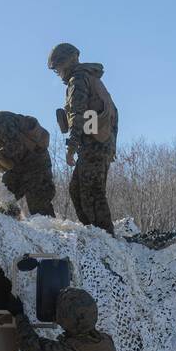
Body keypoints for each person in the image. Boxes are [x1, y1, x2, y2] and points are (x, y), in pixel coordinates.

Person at [48, 42, 118, 234]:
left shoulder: (78, 79)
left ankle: (104, 237)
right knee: (78, 190)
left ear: (65, 62)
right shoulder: (91, 78)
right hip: (99, 144)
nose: (58, 73)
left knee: (90, 193)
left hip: (93, 145)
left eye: (58, 68)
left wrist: (71, 148)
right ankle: (96, 233)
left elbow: (77, 116)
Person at [0, 103, 55, 217]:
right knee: (0, 201)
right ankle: (14, 227)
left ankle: (52, 233)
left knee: (39, 207)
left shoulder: (0, 121)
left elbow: (16, 146)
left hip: (36, 163)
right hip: (17, 169)